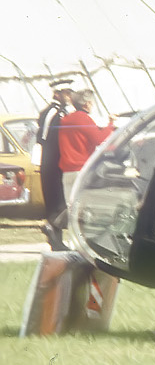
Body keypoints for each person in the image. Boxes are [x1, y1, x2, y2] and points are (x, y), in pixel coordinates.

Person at [34, 76, 73, 250]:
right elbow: (42, 139)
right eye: (66, 93)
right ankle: (54, 239)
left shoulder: (63, 112)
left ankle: (57, 239)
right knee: (54, 202)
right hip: (51, 164)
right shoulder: (51, 112)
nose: (69, 96)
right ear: (58, 94)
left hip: (58, 163)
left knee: (59, 202)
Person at [57, 90, 112, 205]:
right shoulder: (84, 118)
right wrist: (111, 124)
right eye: (91, 103)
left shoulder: (65, 120)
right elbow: (99, 138)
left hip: (67, 170)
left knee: (70, 205)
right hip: (82, 169)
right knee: (84, 206)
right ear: (86, 104)